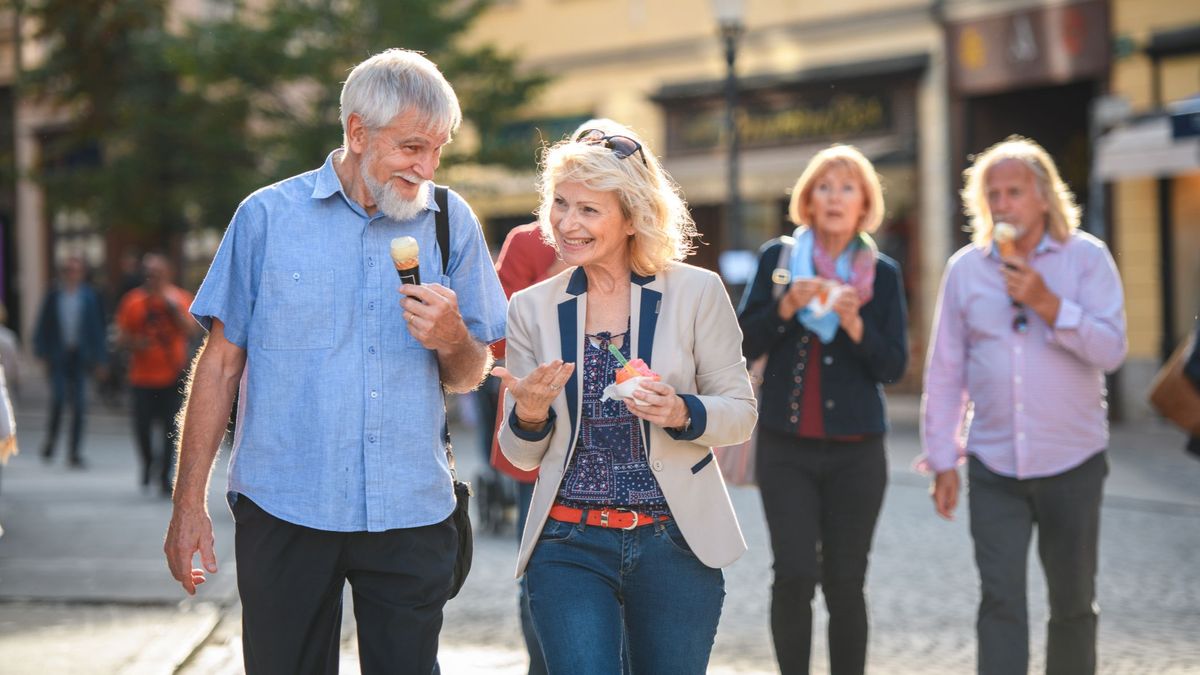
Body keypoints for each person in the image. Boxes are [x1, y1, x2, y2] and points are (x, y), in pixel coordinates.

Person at [162, 49, 506, 674]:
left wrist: (454, 337)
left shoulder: (452, 222)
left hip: (411, 506)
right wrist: (188, 506)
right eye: (410, 148)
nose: (425, 167)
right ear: (356, 132)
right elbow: (218, 369)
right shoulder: (266, 218)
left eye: (438, 150)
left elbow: (469, 373)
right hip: (286, 505)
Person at [493, 122, 757, 674]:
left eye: (589, 210)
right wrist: (532, 413)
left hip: (674, 542)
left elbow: (740, 413)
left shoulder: (696, 291)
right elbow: (519, 455)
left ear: (633, 215)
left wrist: (684, 411)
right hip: (567, 541)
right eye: (560, 204)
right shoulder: (531, 309)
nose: (567, 223)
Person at [921, 136, 1127, 675]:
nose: (1003, 203)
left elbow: (1111, 350)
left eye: (1014, 191)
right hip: (994, 466)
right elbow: (945, 370)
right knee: (1000, 602)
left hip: (1074, 462)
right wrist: (943, 457)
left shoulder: (1086, 258)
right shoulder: (966, 269)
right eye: (993, 193)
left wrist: (1050, 304)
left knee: (1073, 604)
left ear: (1044, 197)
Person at [738, 145, 908, 675]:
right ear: (808, 199)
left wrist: (855, 325)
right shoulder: (779, 260)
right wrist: (786, 308)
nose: (835, 198)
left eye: (847, 188)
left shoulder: (881, 273)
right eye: (824, 188)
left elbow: (892, 367)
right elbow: (743, 340)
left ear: (865, 203)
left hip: (858, 451)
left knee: (845, 581)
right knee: (792, 573)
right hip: (786, 446)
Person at [490, 218, 564, 675]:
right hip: (537, 440)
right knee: (540, 576)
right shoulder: (528, 241)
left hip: (622, 444)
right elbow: (497, 338)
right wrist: (565, 265)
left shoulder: (646, 238)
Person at [115, 254, 196, 495]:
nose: (153, 277)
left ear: (168, 273)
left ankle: (164, 476)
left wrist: (172, 308)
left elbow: (192, 330)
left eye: (158, 273)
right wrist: (135, 343)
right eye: (149, 272)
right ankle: (148, 462)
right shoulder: (133, 301)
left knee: (171, 429)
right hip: (141, 377)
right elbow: (120, 337)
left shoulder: (179, 298)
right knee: (142, 427)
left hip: (172, 376)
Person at [32, 256, 108, 467]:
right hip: (59, 356)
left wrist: (101, 359)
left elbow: (98, 329)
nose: (71, 274)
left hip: (80, 357)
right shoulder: (54, 294)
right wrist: (41, 350)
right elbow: (43, 324)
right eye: (68, 270)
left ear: (82, 273)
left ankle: (74, 452)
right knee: (58, 399)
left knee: (80, 404)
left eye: (76, 270)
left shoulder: (90, 297)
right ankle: (51, 441)